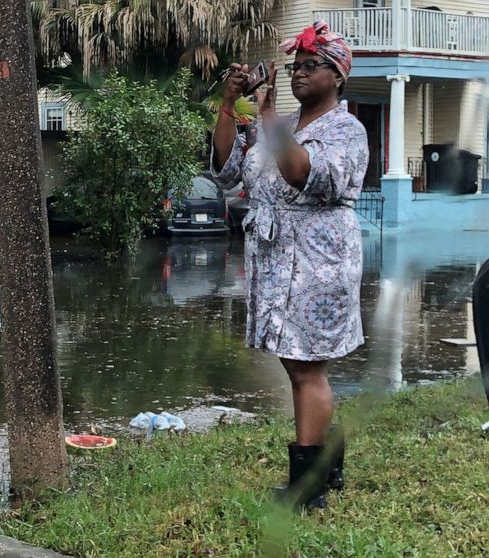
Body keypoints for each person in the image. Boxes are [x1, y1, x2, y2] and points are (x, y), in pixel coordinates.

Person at [211, 20, 368, 510]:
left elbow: (304, 174)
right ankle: (327, 460)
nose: (300, 74)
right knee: (295, 362)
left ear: (338, 76)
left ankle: (309, 489)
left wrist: (271, 114)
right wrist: (226, 105)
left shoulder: (346, 128)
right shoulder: (268, 126)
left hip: (318, 259)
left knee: (306, 366)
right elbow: (225, 170)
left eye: (312, 66)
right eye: (295, 67)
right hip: (275, 257)